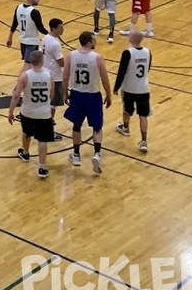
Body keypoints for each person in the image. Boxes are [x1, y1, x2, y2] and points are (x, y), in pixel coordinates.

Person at [63, 31, 112, 174]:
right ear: (89, 42)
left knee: (77, 125)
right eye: (94, 40)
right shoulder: (97, 58)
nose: (96, 42)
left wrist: (65, 93)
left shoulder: (71, 56)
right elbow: (105, 79)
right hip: (93, 95)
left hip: (77, 94)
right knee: (97, 126)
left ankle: (76, 154)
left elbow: (65, 77)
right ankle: (97, 153)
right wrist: (108, 95)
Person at [8, 50, 55, 179]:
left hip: (28, 111)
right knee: (42, 140)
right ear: (42, 60)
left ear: (31, 61)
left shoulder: (24, 76)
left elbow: (16, 95)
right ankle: (42, 167)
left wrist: (11, 112)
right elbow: (52, 94)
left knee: (26, 133)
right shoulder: (49, 75)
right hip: (44, 113)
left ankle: (26, 153)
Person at [114, 29, 152, 152]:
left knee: (127, 109)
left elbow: (121, 71)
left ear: (132, 38)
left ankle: (125, 128)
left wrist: (116, 87)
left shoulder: (127, 53)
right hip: (143, 88)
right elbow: (148, 68)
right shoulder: (148, 52)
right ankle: (144, 141)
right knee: (143, 115)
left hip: (129, 87)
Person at [6, 0, 48, 73]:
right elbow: (40, 27)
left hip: (22, 42)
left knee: (32, 65)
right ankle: (19, 85)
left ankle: (28, 84)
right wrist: (50, 34)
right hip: (31, 43)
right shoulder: (34, 12)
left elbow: (14, 23)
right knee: (28, 65)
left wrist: (10, 38)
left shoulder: (19, 8)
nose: (38, 0)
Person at [42, 18, 67, 141]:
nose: (63, 29)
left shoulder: (46, 38)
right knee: (53, 104)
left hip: (46, 73)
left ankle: (45, 126)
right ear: (53, 28)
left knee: (48, 103)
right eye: (60, 27)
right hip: (55, 76)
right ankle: (48, 131)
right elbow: (61, 62)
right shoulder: (55, 44)